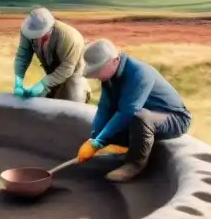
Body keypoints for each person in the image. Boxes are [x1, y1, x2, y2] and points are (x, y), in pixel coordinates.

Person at [75, 38, 192, 182]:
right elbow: (104, 108)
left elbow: (128, 111)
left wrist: (98, 142)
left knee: (140, 116)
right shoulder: (110, 78)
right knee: (114, 123)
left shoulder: (138, 73)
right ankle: (125, 148)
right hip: (144, 117)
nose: (95, 75)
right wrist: (94, 138)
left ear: (114, 61)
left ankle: (134, 164)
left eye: (97, 70)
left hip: (173, 118)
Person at [12, 6, 91, 103]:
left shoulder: (69, 37)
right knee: (44, 105)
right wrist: (18, 80)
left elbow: (67, 68)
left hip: (72, 74)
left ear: (48, 30)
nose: (34, 37)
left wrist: (44, 84)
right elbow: (23, 56)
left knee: (72, 107)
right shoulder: (27, 30)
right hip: (51, 72)